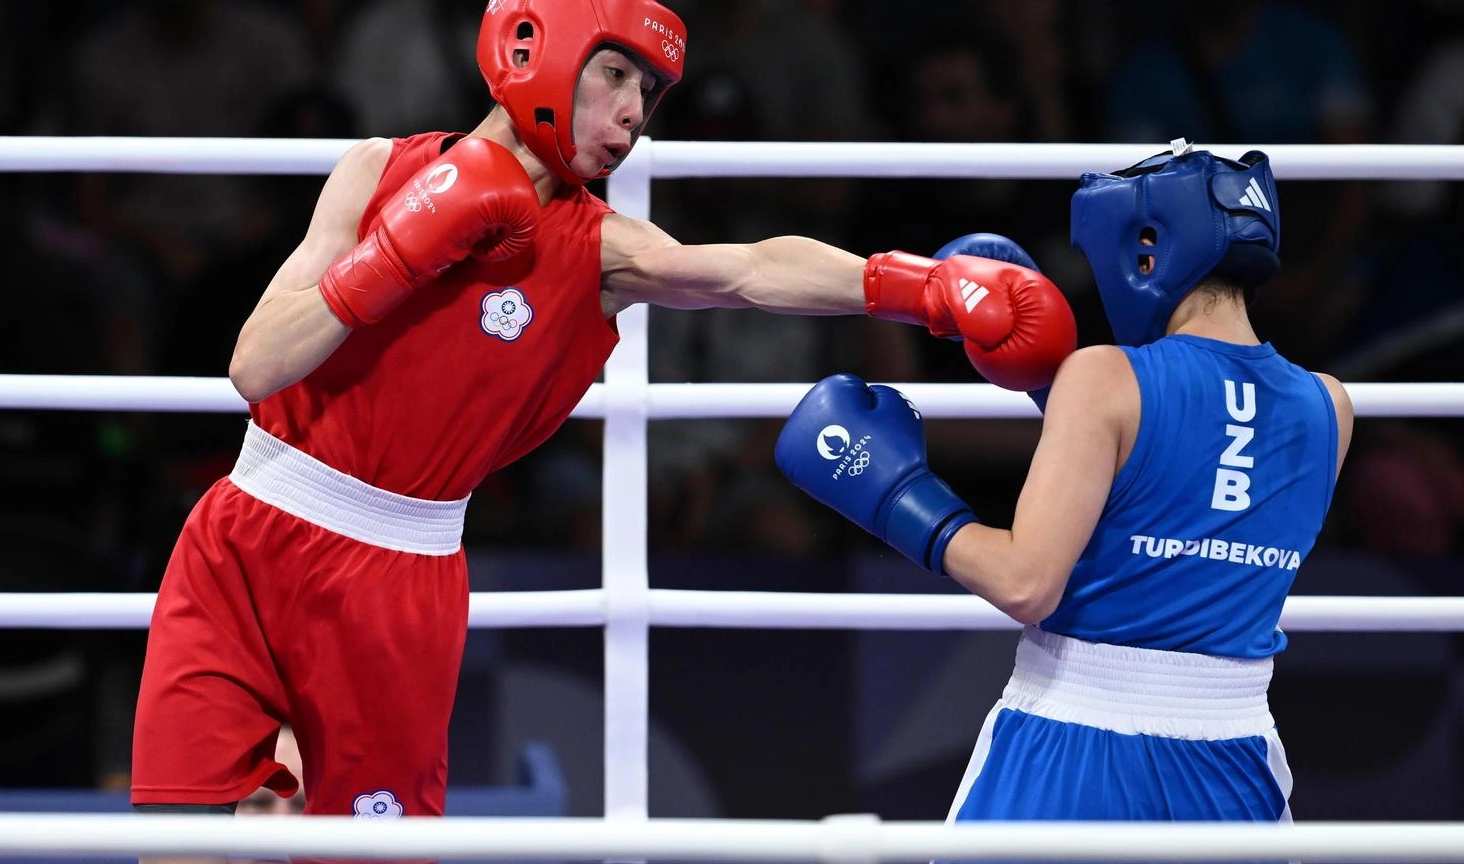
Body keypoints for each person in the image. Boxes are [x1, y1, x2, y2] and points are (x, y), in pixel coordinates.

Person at [127, 0, 1078, 854]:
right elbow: (256, 366)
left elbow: (747, 268)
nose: (633, 113)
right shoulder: (376, 169)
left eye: (652, 93)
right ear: (537, 47)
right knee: (180, 837)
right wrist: (401, 249)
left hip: (393, 577)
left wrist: (915, 288)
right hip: (245, 534)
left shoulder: (602, 249)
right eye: (616, 75)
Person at [777, 140, 1355, 822]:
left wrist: (893, 493)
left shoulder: (1106, 377)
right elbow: (1183, 491)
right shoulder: (1329, 406)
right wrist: (1054, 389)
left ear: (1148, 247)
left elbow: (1027, 583)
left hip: (1074, 737)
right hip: (1235, 754)